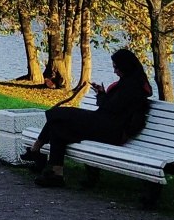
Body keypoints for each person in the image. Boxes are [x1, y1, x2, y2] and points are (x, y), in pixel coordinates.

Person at [19, 48, 154, 188]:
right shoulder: (131, 83)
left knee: (59, 114)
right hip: (104, 124)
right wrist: (102, 93)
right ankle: (56, 174)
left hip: (112, 131)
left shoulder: (132, 87)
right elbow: (113, 106)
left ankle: (35, 150)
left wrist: (101, 95)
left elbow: (109, 107)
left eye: (116, 67)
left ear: (125, 66)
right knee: (58, 126)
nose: (115, 71)